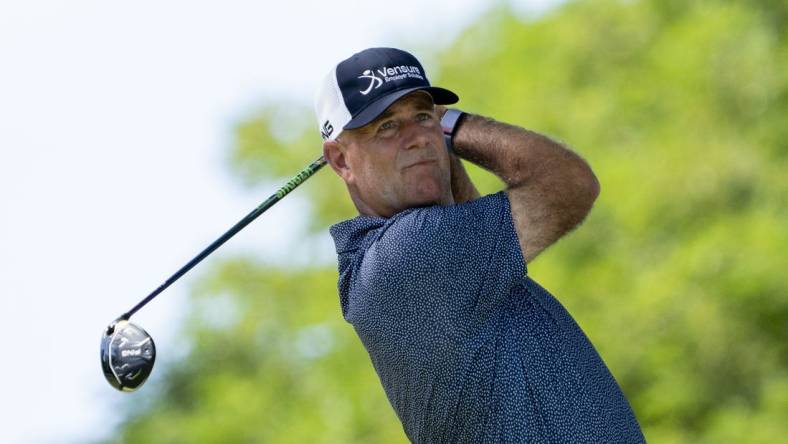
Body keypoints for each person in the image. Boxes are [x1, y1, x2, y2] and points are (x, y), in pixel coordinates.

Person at [314, 47, 645, 443]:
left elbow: (458, 207)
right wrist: (452, 126)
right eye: (386, 126)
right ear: (340, 160)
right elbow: (568, 184)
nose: (416, 138)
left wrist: (436, 140)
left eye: (422, 116)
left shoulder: (452, 257)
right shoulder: (411, 254)